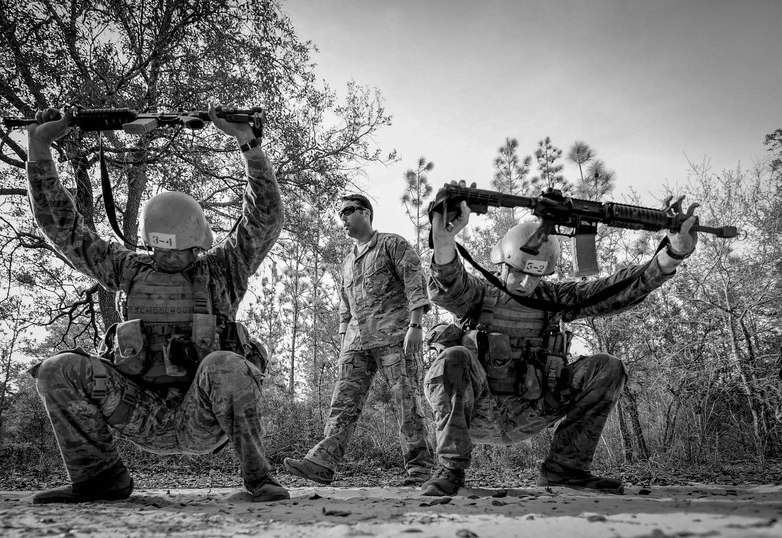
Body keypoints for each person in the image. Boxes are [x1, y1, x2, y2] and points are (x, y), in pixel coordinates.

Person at [25, 105, 289, 503]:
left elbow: (264, 219)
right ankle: (99, 479)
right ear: (150, 243)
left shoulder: (223, 269)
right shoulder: (128, 269)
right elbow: (64, 230)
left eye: (179, 251)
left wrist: (247, 143)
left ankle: (259, 479)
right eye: (162, 250)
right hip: (139, 412)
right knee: (57, 369)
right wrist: (39, 147)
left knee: (226, 363)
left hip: (203, 416)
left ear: (198, 244)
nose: (169, 257)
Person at [422, 185, 698, 496]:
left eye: (535, 276)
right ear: (502, 263)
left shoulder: (553, 299)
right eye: (518, 273)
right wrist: (444, 240)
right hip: (477, 411)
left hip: (530, 410)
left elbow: (612, 291)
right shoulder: (478, 294)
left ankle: (565, 469)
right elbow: (448, 282)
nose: (525, 283)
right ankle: (450, 469)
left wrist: (672, 255)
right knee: (453, 357)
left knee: (606, 367)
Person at [284, 194, 434, 486]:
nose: (343, 218)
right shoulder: (347, 261)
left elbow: (415, 284)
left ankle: (420, 467)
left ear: (366, 213)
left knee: (406, 399)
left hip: (394, 336)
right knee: (343, 402)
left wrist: (416, 325)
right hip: (356, 343)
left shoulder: (392, 244)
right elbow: (345, 308)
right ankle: (322, 463)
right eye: (340, 214)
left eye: (348, 211)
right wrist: (343, 344)